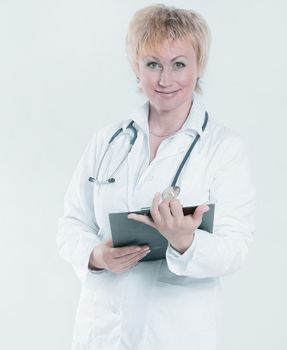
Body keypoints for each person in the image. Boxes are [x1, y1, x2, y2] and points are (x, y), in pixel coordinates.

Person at [57, 4, 256, 350]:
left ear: (198, 67)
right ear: (137, 68)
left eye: (179, 64)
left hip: (174, 334)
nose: (166, 80)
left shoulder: (223, 148)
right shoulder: (108, 141)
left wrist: (185, 242)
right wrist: (96, 256)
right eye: (153, 64)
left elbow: (235, 249)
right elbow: (71, 223)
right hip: (101, 330)